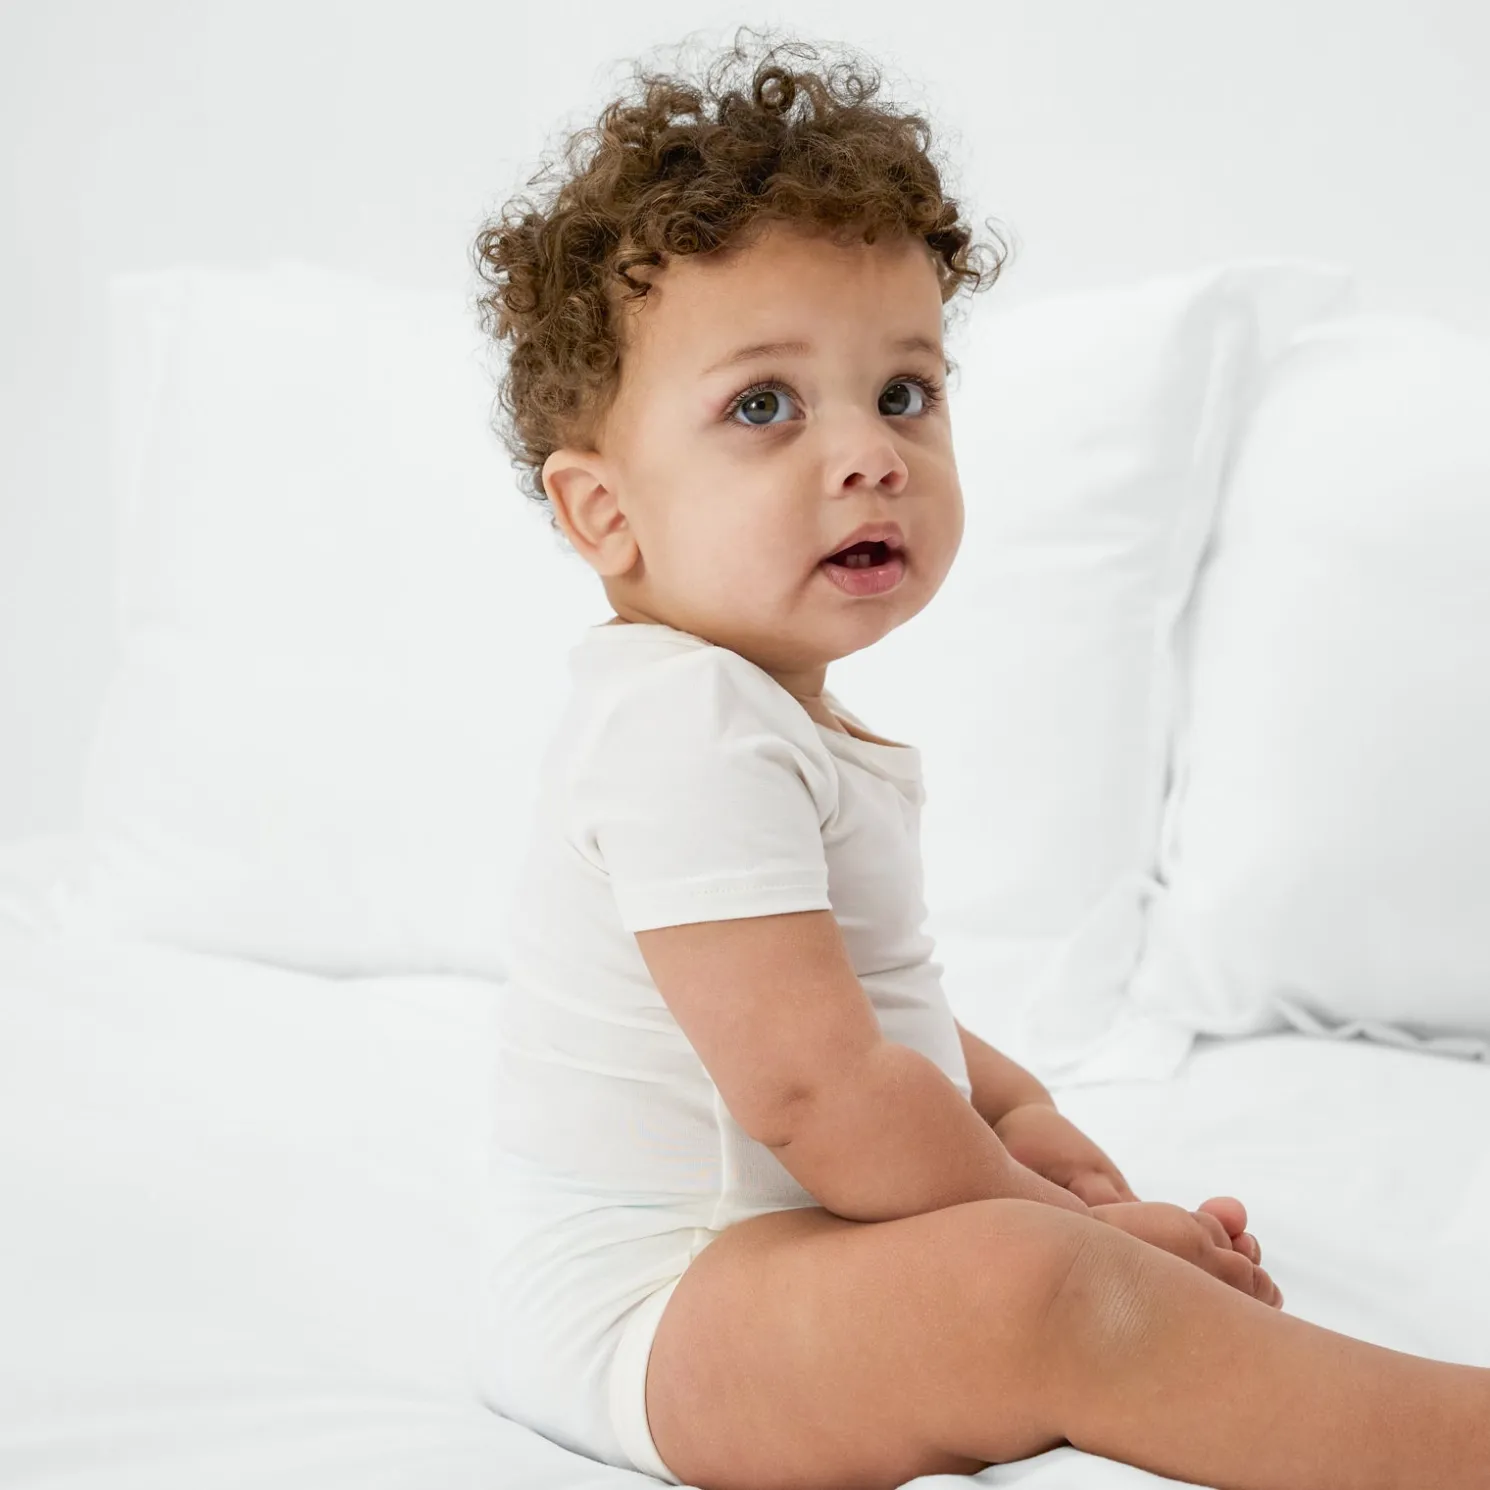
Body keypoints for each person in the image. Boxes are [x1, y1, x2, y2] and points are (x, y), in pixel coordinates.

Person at [469, 28, 1490, 1490]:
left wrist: (1014, 1113)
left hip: (756, 1259)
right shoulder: (682, 725)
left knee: (1032, 1265)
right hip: (650, 1308)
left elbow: (864, 1009)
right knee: (1039, 1290)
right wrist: (1065, 1222)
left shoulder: (759, 714)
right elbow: (818, 1093)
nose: (869, 454)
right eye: (764, 405)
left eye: (903, 393)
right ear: (604, 513)